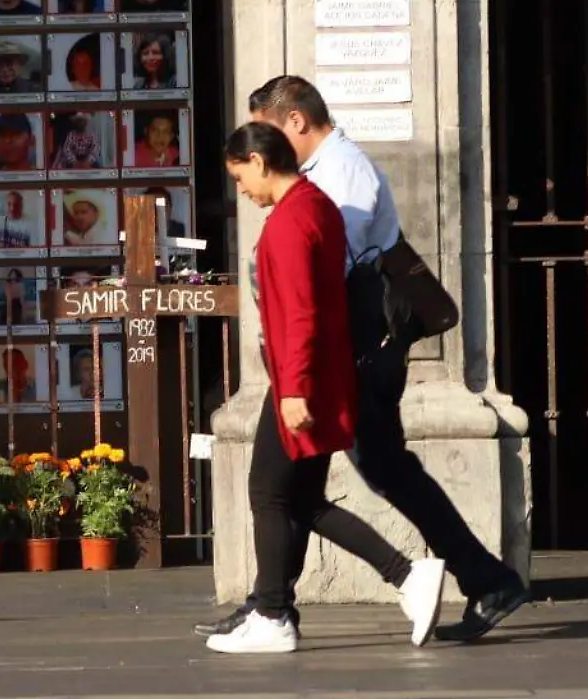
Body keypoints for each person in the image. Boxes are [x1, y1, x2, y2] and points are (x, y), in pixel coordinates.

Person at [198, 77, 531, 644]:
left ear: (295, 123)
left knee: (358, 474)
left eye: (267, 131)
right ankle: (273, 602)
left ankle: (285, 603)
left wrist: (300, 378)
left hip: (353, 350)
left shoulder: (338, 174)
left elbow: (319, 276)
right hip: (338, 352)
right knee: (315, 480)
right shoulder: (318, 180)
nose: (262, 146)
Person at [207, 122, 445, 655]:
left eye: (239, 175)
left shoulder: (291, 220)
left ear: (259, 161)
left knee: (268, 493)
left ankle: (273, 615)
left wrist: (293, 391)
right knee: (303, 499)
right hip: (322, 374)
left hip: (301, 380)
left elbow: (299, 314)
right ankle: (405, 577)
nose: (239, 188)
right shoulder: (317, 205)